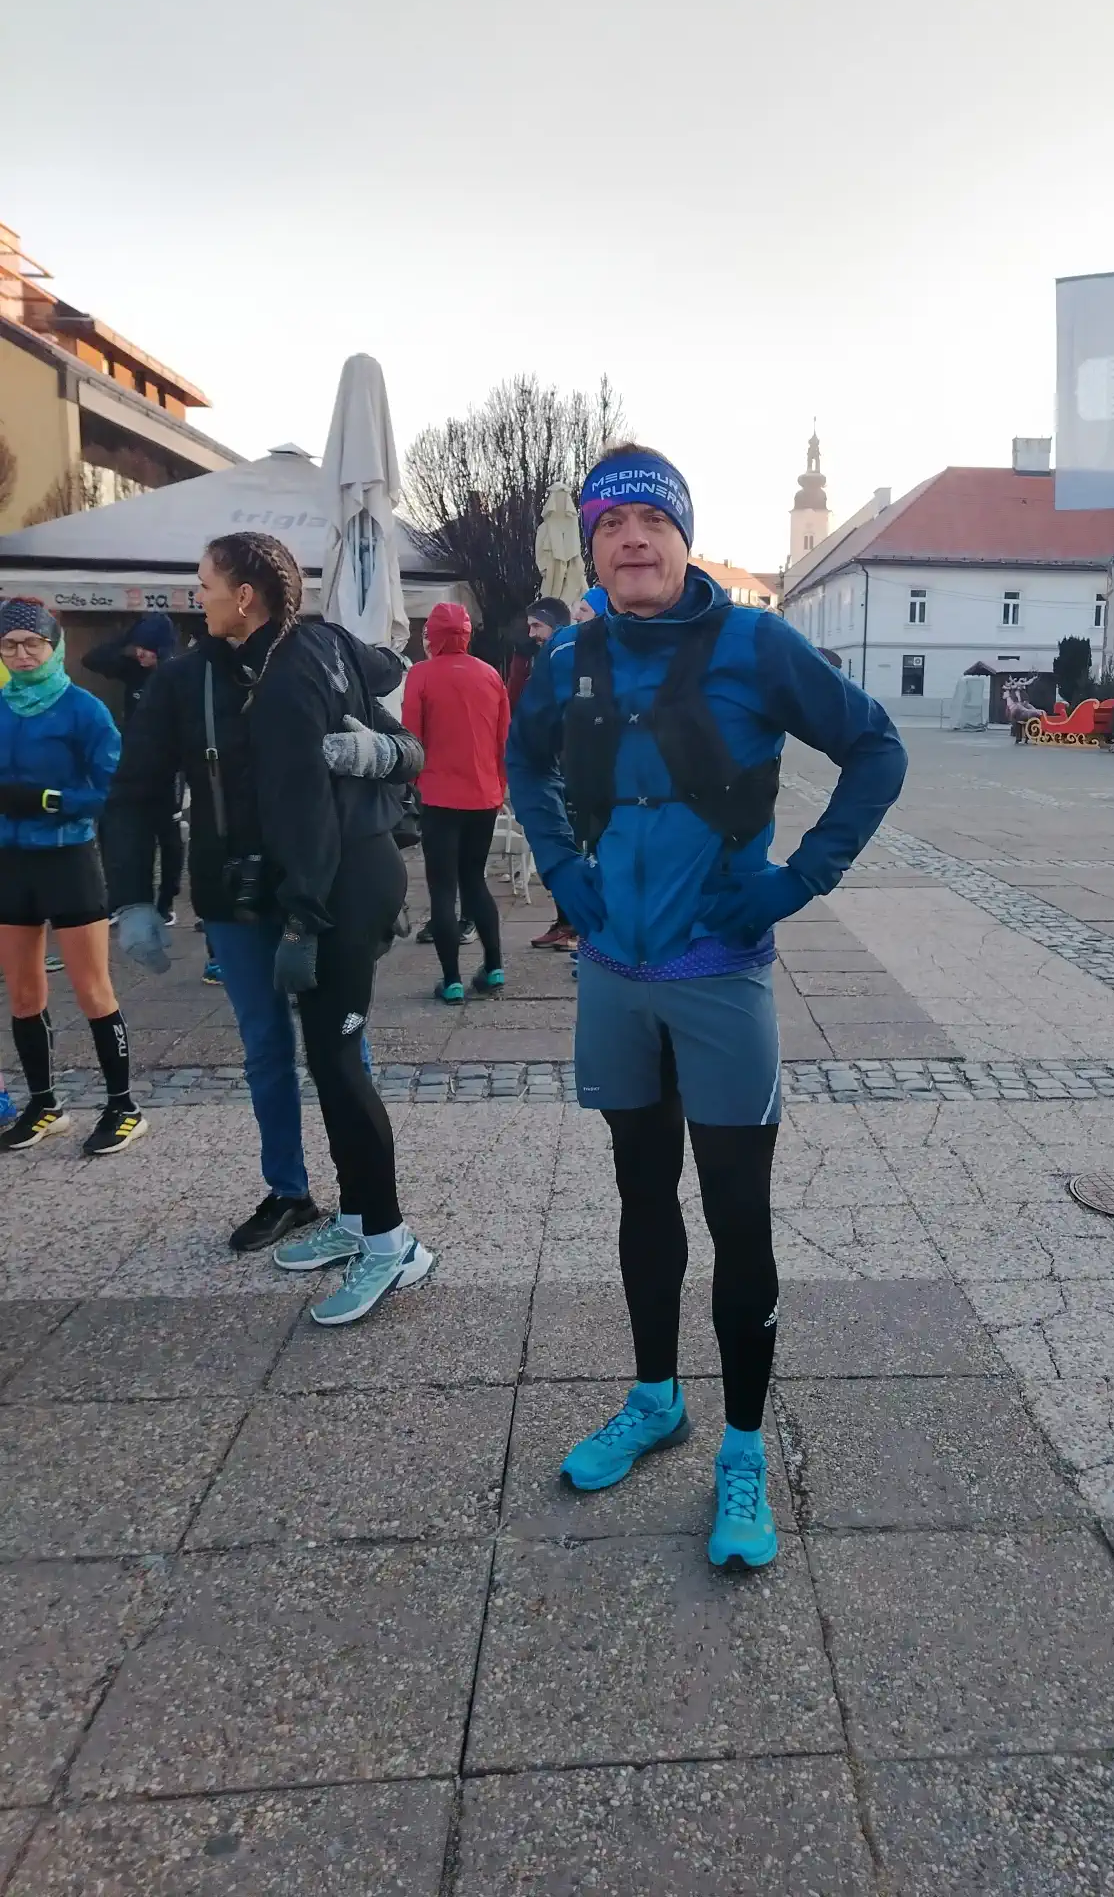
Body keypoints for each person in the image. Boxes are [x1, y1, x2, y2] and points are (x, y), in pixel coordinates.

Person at [509, 444, 907, 1569]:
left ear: (684, 536)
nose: (631, 537)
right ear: (590, 547)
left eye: (651, 518)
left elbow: (875, 747)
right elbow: (522, 761)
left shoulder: (755, 644)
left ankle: (741, 1446)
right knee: (642, 1198)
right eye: (610, 523)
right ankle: (654, 1400)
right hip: (613, 979)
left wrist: (801, 877)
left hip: (719, 977)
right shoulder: (573, 658)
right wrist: (564, 877)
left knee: (738, 1216)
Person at [109, 534, 432, 1318]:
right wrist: (137, 896)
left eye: (206, 584)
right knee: (311, 1054)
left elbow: (336, 793)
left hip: (328, 889)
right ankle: (352, 1217)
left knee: (338, 1056)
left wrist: (302, 922)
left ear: (246, 595)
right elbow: (137, 793)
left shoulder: (304, 662)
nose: (199, 597)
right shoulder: (206, 677)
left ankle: (392, 1244)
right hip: (278, 893)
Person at [0, 598, 145, 1155]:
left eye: (31, 643)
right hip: (11, 863)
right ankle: (43, 1104)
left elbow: (112, 792)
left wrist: (45, 798)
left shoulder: (83, 710)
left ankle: (122, 1105)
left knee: (92, 989)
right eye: (9, 645)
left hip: (69, 860)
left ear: (53, 646)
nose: (20, 654)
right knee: (22, 995)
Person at [401, 601, 509, 1003]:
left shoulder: (421, 675)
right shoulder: (490, 675)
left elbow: (412, 740)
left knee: (443, 888)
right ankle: (494, 967)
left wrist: (410, 784)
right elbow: (503, 738)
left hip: (439, 795)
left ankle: (451, 980)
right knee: (475, 880)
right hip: (483, 794)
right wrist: (499, 785)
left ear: (433, 636)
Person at [84, 615, 185, 925]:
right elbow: (91, 660)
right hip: (133, 769)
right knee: (127, 836)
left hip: (170, 771)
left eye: (148, 649)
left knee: (169, 837)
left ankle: (165, 903)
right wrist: (127, 639)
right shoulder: (133, 672)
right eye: (138, 648)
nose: (141, 654)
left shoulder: (176, 677)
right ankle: (125, 902)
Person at [509, 598, 581, 951]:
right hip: (548, 762)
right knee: (557, 844)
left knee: (568, 843)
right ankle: (567, 921)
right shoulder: (541, 658)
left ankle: (576, 924)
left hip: (566, 766)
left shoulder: (568, 657)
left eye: (537, 626)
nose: (531, 633)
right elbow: (516, 705)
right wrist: (521, 663)